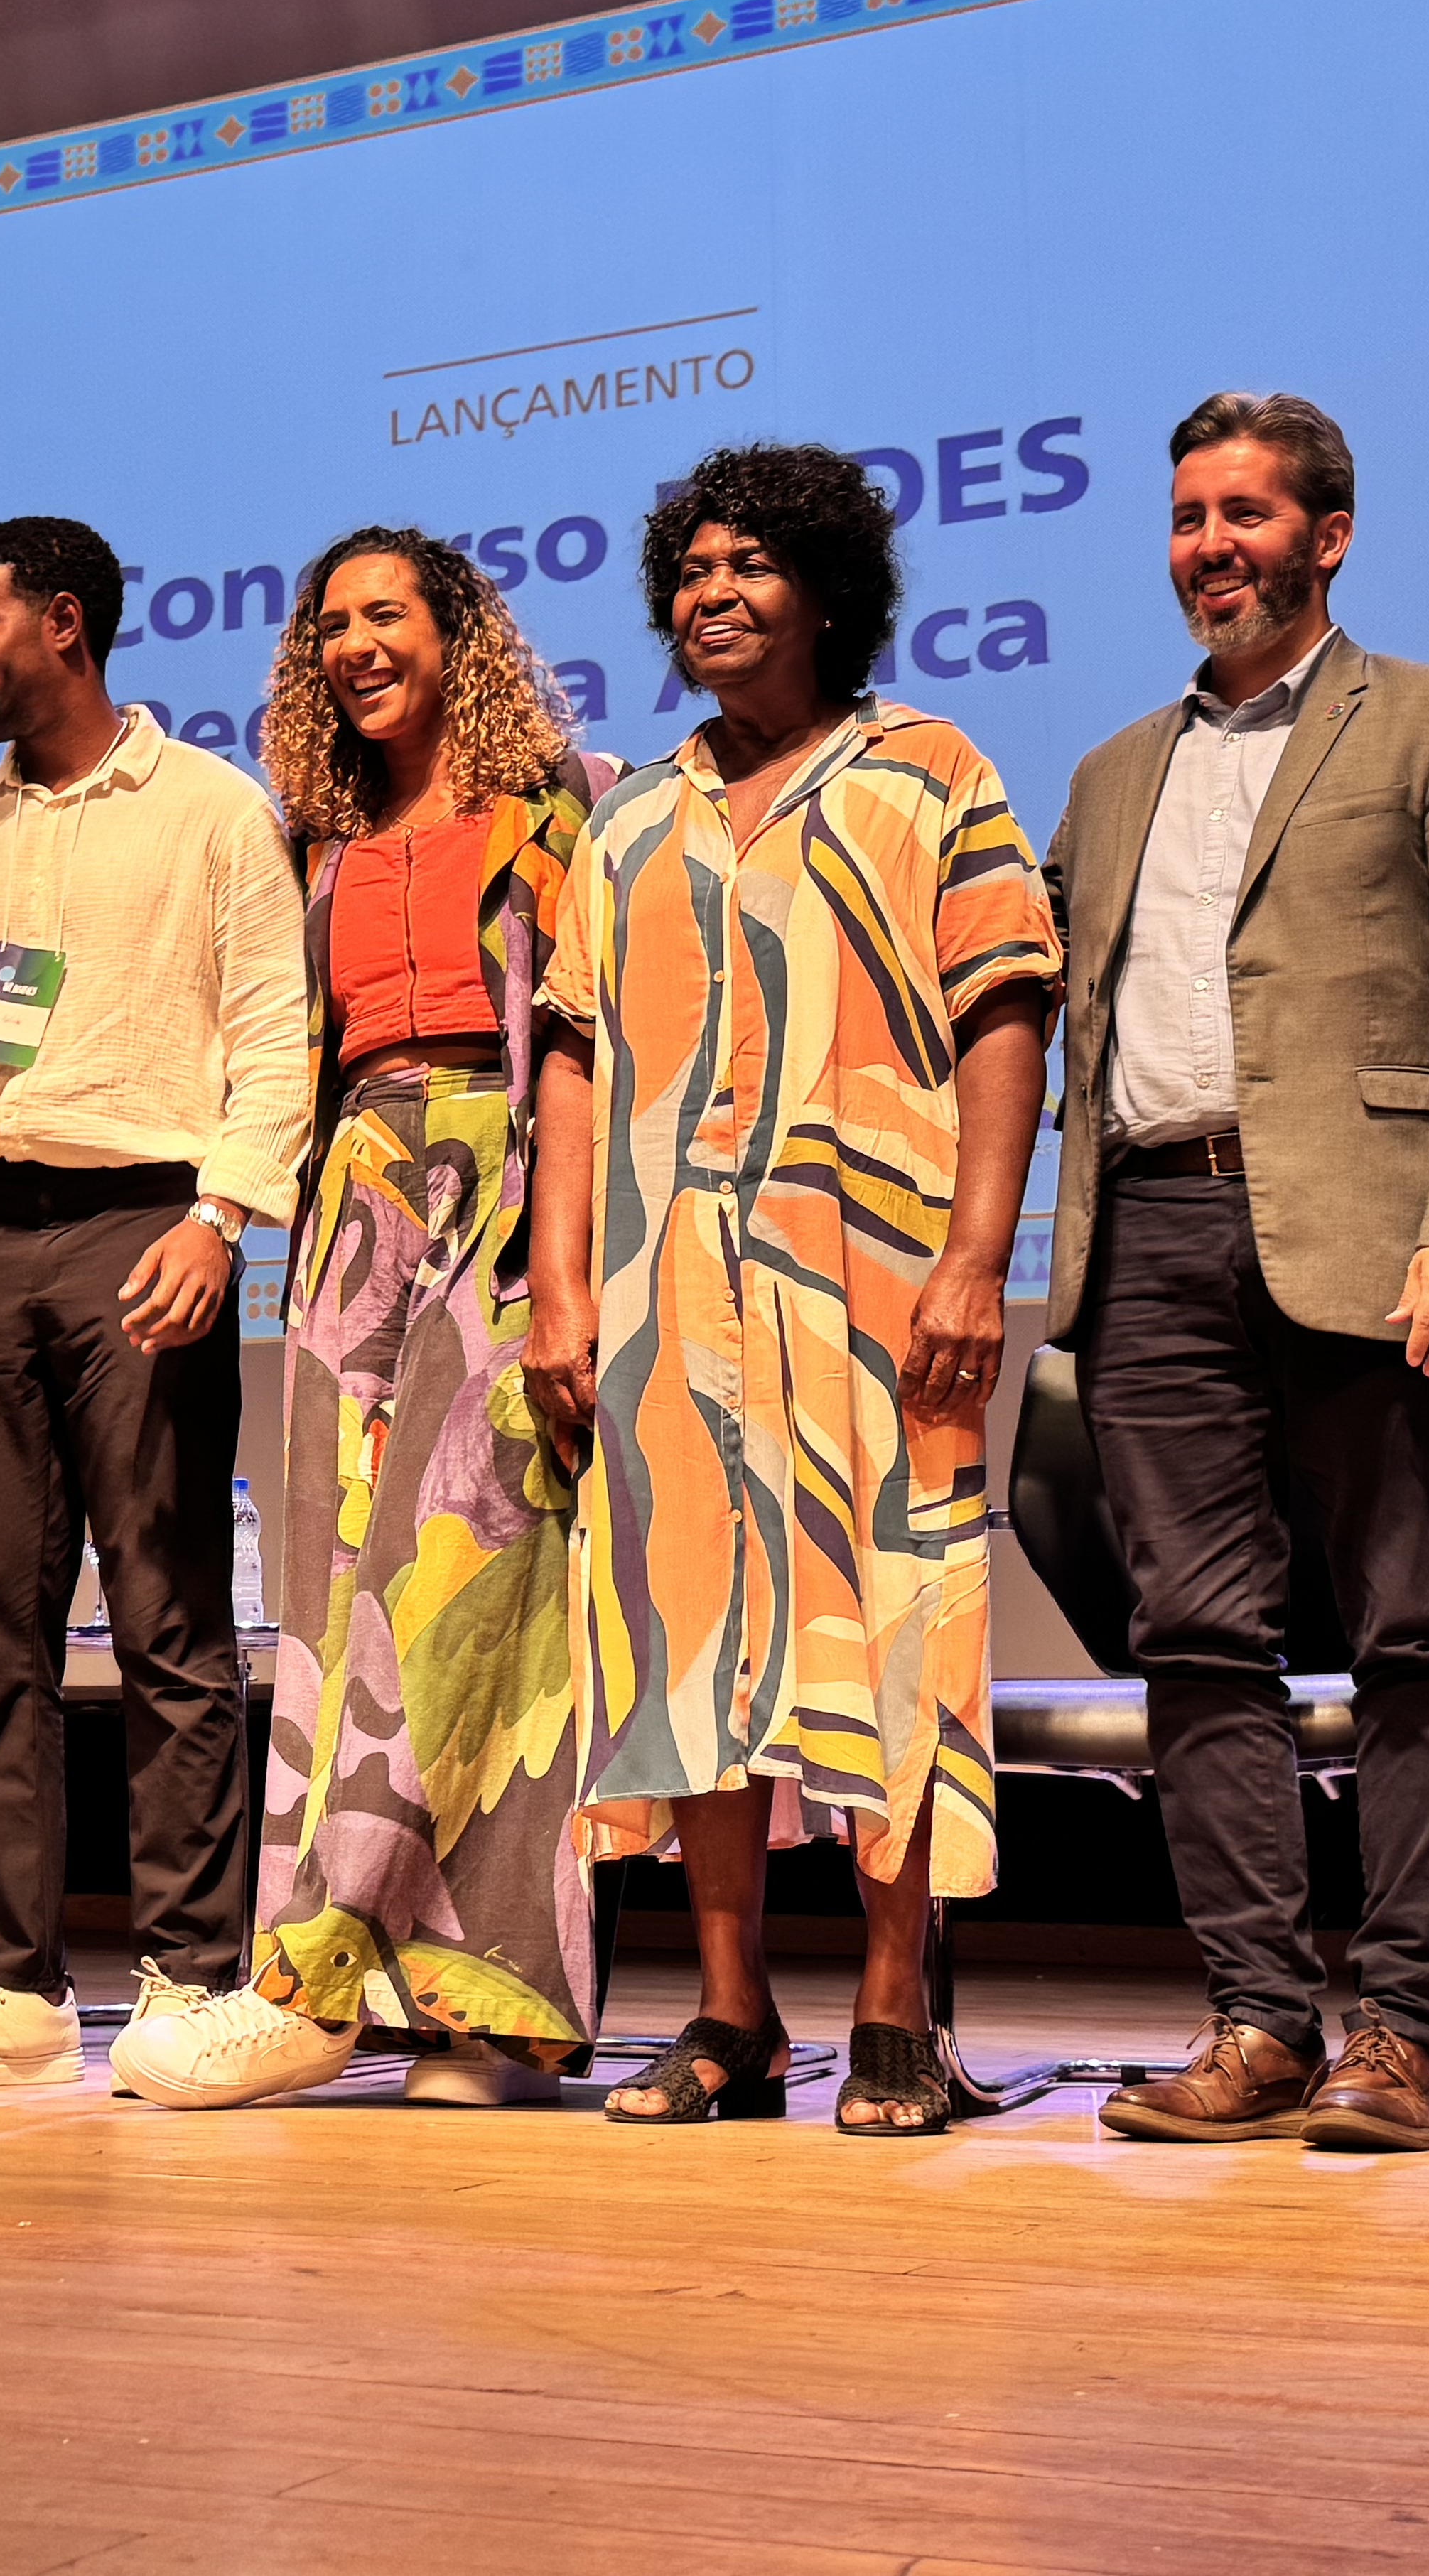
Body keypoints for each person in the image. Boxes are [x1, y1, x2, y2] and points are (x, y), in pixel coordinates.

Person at [1041, 394, 1429, 2155]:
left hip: (1373, 1234)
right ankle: (1259, 2016)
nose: (1211, 546)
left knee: (1416, 1632)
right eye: (1189, 518)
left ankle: (1400, 2029)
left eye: (1245, 514)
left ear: (1329, 534)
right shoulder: (1115, 770)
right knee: (1194, 1640)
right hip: (1150, 1236)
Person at [535, 443, 1058, 2133]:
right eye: (690, 571)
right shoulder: (629, 814)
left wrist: (978, 1257)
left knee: (893, 1624)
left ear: (832, 589)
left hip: (874, 1285)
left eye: (751, 563)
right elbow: (571, 1064)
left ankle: (895, 2004)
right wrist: (560, 1297)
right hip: (663, 1297)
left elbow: (1003, 1013)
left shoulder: (929, 773)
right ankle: (735, 2015)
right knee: (687, 1646)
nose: (714, 594)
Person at [112, 527, 611, 2112]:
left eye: (385, 614)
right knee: (337, 1611)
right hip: (353, 1213)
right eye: (330, 623)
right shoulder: (310, 841)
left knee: (478, 1600)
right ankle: (335, 1992)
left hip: (513, 1187)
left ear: (459, 634)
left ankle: (494, 2015)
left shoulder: (566, 808)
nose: (353, 644)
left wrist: (572, 1263)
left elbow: (604, 1041)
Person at [0, 516, 308, 2091]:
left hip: (141, 1227)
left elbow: (270, 1033)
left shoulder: (214, 811)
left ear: (68, 624)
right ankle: (18, 1984)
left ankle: (187, 1975)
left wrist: (218, 1217)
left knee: (170, 1619)